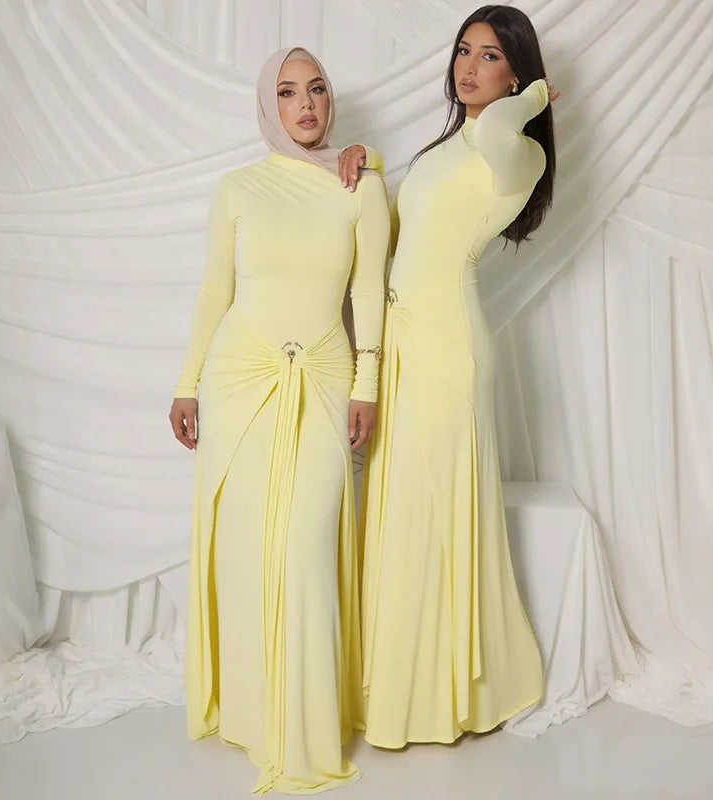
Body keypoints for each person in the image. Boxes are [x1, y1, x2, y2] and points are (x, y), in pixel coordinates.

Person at [169, 47, 389, 794]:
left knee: (305, 546)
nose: (305, 105)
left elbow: (369, 293)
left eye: (317, 90)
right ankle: (255, 717)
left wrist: (367, 384)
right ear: (270, 104)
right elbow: (215, 291)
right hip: (238, 380)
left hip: (325, 377)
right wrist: (187, 384)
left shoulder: (362, 185)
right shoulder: (238, 187)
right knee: (247, 548)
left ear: (330, 101)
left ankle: (307, 727)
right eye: (288, 92)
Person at [341, 5, 558, 748]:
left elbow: (498, 131)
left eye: (491, 56)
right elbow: (396, 237)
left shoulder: (516, 152)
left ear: (518, 73)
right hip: (402, 345)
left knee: (432, 513)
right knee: (400, 510)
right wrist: (367, 161)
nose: (469, 66)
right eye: (464, 50)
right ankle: (396, 681)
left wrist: (533, 98)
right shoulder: (444, 147)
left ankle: (441, 695)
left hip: (449, 348)